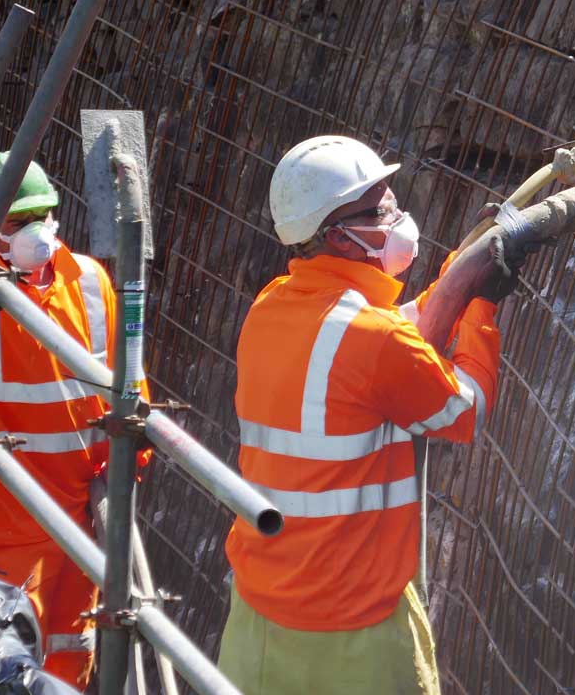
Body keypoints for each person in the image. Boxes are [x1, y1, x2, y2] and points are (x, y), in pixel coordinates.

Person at [218, 135, 529, 695]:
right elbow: (466, 410)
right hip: (354, 636)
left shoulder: (271, 306)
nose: (398, 216)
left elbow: (388, 337)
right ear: (339, 236)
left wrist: (458, 276)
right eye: (381, 209)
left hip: (258, 620)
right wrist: (482, 304)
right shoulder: (374, 338)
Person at [0, 151, 140, 688]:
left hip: (79, 515)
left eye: (40, 216)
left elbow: (127, 378)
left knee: (71, 648)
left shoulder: (89, 279)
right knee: (3, 658)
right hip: (0, 522)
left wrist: (129, 464)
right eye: (16, 223)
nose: (34, 234)